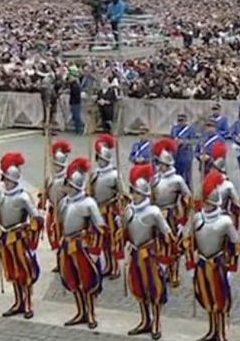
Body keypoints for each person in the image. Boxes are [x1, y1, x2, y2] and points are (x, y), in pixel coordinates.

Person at [122, 163, 173, 337]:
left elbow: (167, 235)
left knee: (154, 289)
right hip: (135, 253)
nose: (133, 195)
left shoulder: (154, 212)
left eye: (136, 192)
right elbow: (125, 232)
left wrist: (165, 260)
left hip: (150, 255)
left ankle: (156, 323)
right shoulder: (128, 210)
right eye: (132, 191)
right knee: (138, 288)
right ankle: (145, 320)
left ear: (144, 194)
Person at [0, 151, 43, 319]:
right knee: (12, 271)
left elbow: (36, 218)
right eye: (4, 180)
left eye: (8, 180)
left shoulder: (23, 197)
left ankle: (28, 302)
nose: (5, 183)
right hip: (5, 239)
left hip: (20, 238)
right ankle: (17, 301)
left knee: (24, 272)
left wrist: (33, 239)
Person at [58, 157, 105, 329]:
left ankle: (91, 313)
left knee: (87, 281)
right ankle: (80, 312)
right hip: (67, 244)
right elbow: (60, 223)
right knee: (72, 280)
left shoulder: (89, 203)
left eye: (69, 185)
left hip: (82, 246)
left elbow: (100, 228)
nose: (67, 188)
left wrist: (95, 250)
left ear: (76, 186)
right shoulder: (64, 202)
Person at [89, 134, 125, 279]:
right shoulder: (95, 174)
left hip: (111, 212)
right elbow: (91, 192)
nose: (100, 161)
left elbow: (122, 194)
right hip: (98, 212)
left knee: (113, 241)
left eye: (102, 158)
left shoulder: (115, 175)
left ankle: (116, 268)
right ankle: (108, 265)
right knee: (103, 242)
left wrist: (120, 211)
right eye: (98, 158)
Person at [44, 141, 73, 256]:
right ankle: (58, 257)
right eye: (53, 164)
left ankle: (65, 258)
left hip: (63, 212)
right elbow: (46, 192)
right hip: (52, 210)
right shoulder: (50, 178)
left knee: (63, 235)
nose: (54, 167)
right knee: (52, 235)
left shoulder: (67, 179)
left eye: (57, 165)